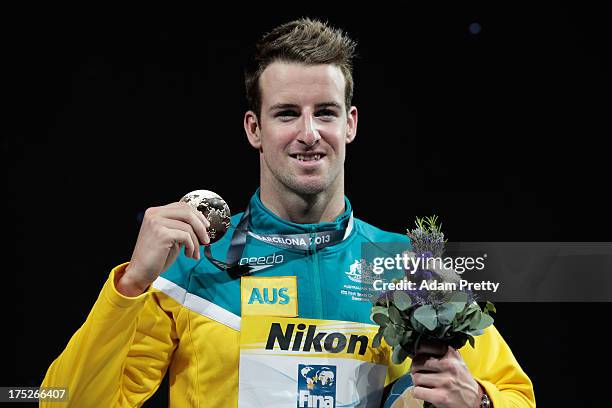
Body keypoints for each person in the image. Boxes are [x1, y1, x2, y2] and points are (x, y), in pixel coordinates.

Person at [41, 18, 535, 407]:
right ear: (254, 128)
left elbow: (516, 394)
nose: (309, 132)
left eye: (325, 112)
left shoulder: (411, 270)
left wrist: (481, 402)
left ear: (351, 124)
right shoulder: (192, 261)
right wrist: (131, 286)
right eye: (286, 113)